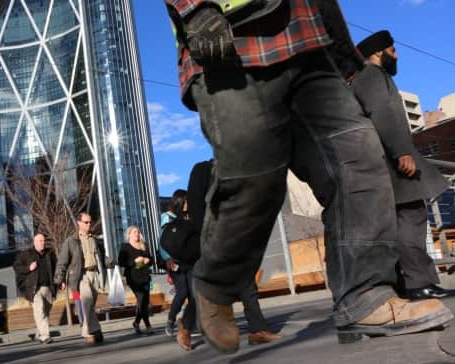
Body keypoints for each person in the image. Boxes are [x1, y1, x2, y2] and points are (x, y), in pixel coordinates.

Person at [163, 0, 452, 354]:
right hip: (229, 38)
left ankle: (366, 296)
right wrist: (195, 10)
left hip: (308, 41)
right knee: (255, 173)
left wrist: (344, 53)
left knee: (358, 155)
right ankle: (216, 283)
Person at [351, 30, 450, 300]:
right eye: (393, 50)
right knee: (411, 221)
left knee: (402, 223)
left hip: (385, 161)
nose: (397, 55)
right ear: (377, 53)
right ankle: (420, 283)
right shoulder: (372, 77)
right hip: (394, 162)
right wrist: (401, 152)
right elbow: (382, 114)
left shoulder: (366, 78)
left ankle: (409, 284)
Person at [188, 160, 283, 346]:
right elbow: (195, 205)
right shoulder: (202, 170)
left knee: (247, 284)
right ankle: (195, 327)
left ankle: (257, 330)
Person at [54, 212, 113, 345]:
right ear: (79, 223)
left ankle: (96, 329)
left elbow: (102, 257)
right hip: (80, 276)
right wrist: (60, 278)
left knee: (90, 305)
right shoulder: (71, 241)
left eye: (90, 222)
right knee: (87, 302)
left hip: (95, 275)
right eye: (86, 222)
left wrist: (113, 262)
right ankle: (88, 333)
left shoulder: (95, 240)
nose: (89, 224)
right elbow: (62, 261)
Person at [13, 233, 57, 344]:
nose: (43, 243)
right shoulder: (26, 254)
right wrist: (29, 267)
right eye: (40, 241)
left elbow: (56, 268)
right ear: (35, 242)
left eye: (43, 241)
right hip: (34, 289)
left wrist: (60, 281)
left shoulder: (50, 253)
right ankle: (45, 335)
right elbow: (16, 267)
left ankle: (39, 333)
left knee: (45, 312)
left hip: (48, 288)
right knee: (39, 309)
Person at [159, 190, 191, 337]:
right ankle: (171, 320)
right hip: (174, 262)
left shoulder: (187, 217)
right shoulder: (167, 218)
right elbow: (163, 242)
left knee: (193, 293)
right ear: (178, 202)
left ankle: (189, 323)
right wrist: (167, 259)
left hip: (189, 260)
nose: (187, 204)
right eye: (185, 201)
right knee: (182, 291)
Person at [118, 226, 154, 335]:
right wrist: (135, 261)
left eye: (138, 232)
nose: (137, 234)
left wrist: (148, 260)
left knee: (144, 302)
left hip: (145, 276)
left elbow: (151, 260)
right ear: (129, 235)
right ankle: (148, 325)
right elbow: (121, 262)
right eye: (134, 232)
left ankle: (137, 322)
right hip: (133, 278)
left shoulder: (144, 246)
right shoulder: (125, 247)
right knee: (141, 299)